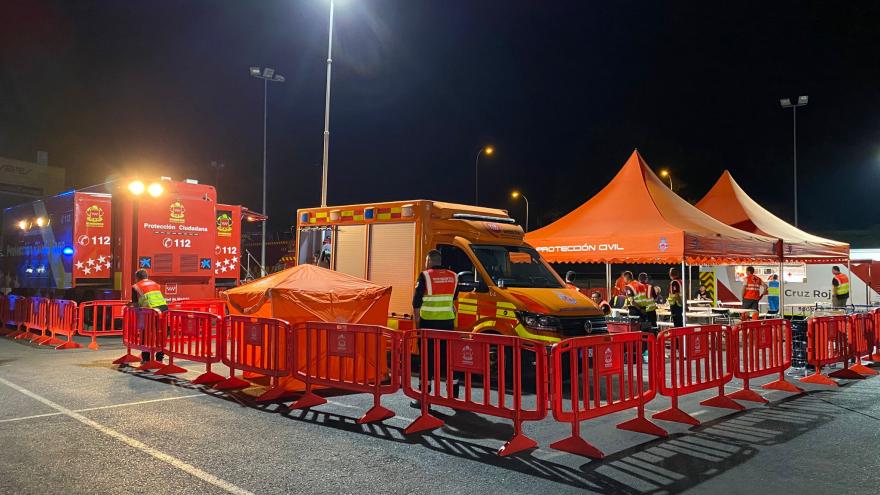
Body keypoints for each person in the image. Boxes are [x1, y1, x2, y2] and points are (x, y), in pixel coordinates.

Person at [411, 249, 460, 407]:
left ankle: (424, 398)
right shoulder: (454, 276)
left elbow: (416, 303)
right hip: (448, 325)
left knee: (427, 361)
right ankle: (453, 397)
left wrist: (418, 324)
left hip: (429, 325)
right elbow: (453, 298)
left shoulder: (425, 276)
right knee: (449, 361)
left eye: (426, 261)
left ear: (430, 261)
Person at [131, 269, 168, 364]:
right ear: (146, 277)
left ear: (137, 278)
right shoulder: (155, 284)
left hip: (150, 311)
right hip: (163, 309)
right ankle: (159, 359)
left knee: (145, 334)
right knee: (161, 334)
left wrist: (131, 307)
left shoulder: (136, 286)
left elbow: (135, 305)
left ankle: (146, 359)